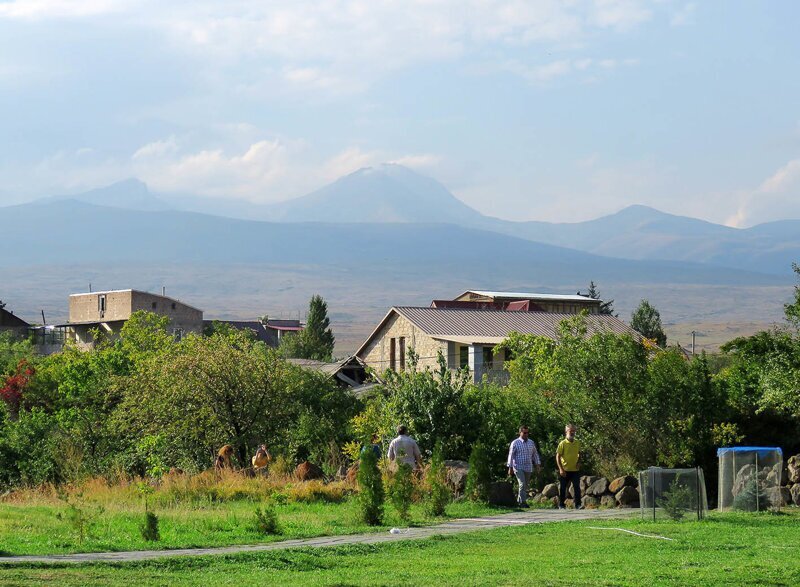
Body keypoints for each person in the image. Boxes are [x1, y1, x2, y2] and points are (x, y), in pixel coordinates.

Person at [506, 425, 541, 508]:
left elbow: (535, 454)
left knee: (525, 485)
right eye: (524, 433)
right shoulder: (515, 443)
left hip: (528, 467)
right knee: (522, 484)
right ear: (520, 433)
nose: (526, 434)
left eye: (527, 433)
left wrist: (538, 465)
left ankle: (519, 501)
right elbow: (511, 456)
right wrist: (510, 467)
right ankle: (523, 502)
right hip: (518, 467)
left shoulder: (531, 442)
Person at [556, 424, 582, 510]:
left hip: (575, 470)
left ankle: (578, 504)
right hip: (565, 470)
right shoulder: (562, 443)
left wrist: (579, 462)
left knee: (577, 487)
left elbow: (580, 453)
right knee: (563, 488)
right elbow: (558, 456)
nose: (572, 432)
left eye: (574, 431)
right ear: (566, 432)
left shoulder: (577, 442)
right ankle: (561, 505)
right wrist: (560, 469)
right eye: (570, 431)